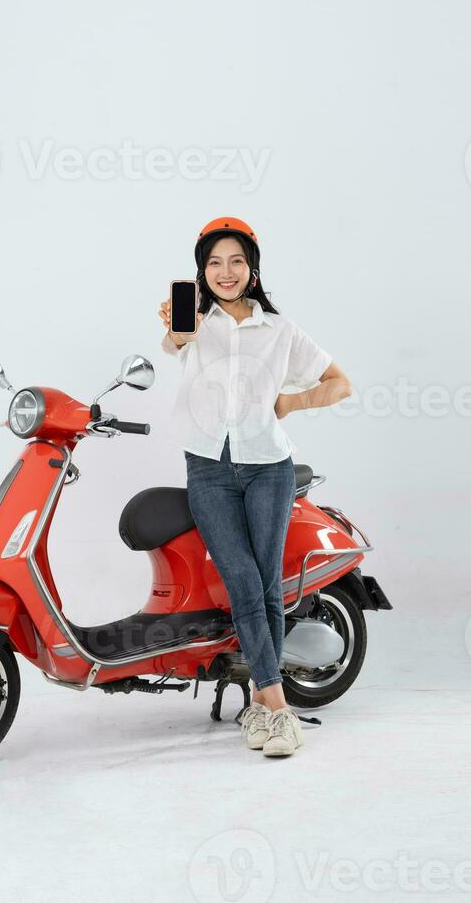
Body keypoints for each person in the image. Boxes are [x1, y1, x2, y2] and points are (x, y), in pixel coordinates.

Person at [159, 217, 352, 756]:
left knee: (266, 581)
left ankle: (261, 708)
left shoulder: (279, 329)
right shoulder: (193, 317)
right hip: (209, 467)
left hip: (269, 464)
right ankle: (277, 707)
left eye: (236, 261)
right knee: (242, 576)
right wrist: (178, 325)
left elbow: (341, 382)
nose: (225, 271)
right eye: (214, 262)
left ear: (252, 268)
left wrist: (291, 402)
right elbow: (173, 341)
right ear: (202, 270)